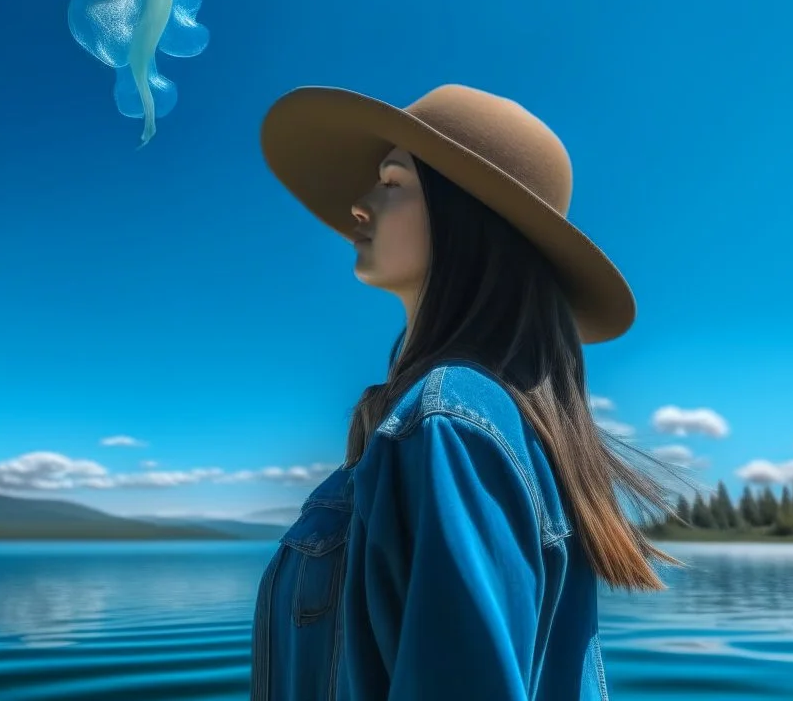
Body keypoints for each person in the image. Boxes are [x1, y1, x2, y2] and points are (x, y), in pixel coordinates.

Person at [250, 83, 682, 700]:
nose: (360, 206)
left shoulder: (448, 422)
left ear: (466, 216)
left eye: (392, 183)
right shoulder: (469, 421)